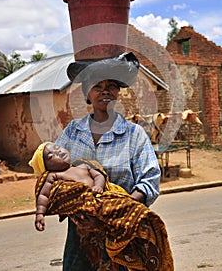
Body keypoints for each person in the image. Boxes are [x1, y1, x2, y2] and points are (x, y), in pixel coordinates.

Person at [54, 52, 166, 270]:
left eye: (112, 86)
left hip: (123, 233)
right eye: (98, 85)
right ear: (87, 93)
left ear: (118, 93)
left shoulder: (134, 134)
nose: (105, 91)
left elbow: (149, 180)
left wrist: (117, 214)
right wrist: (76, 211)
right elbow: (55, 173)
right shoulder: (72, 132)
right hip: (80, 234)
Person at [29, 141, 173, 270]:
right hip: (81, 237)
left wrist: (120, 209)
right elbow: (45, 195)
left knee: (143, 221)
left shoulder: (134, 134)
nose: (57, 152)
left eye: (57, 148)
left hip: (115, 215)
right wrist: (40, 214)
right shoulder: (71, 135)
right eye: (51, 156)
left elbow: (148, 178)